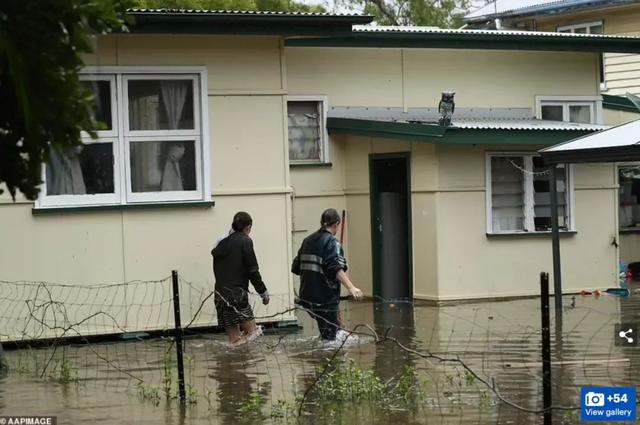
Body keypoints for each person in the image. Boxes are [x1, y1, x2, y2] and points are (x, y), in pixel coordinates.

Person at [292, 208, 363, 340]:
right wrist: (351, 287)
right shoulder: (332, 242)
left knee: (332, 328)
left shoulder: (307, 240)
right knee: (330, 339)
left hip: (307, 298)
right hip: (325, 299)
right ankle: (329, 358)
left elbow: (295, 267)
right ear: (336, 224)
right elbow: (335, 268)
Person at [212, 212, 270, 346]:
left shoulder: (221, 243)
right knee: (254, 332)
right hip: (238, 297)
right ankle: (241, 356)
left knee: (234, 339)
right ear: (248, 227)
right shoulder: (245, 241)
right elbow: (253, 271)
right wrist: (263, 293)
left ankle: (234, 363)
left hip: (220, 296)